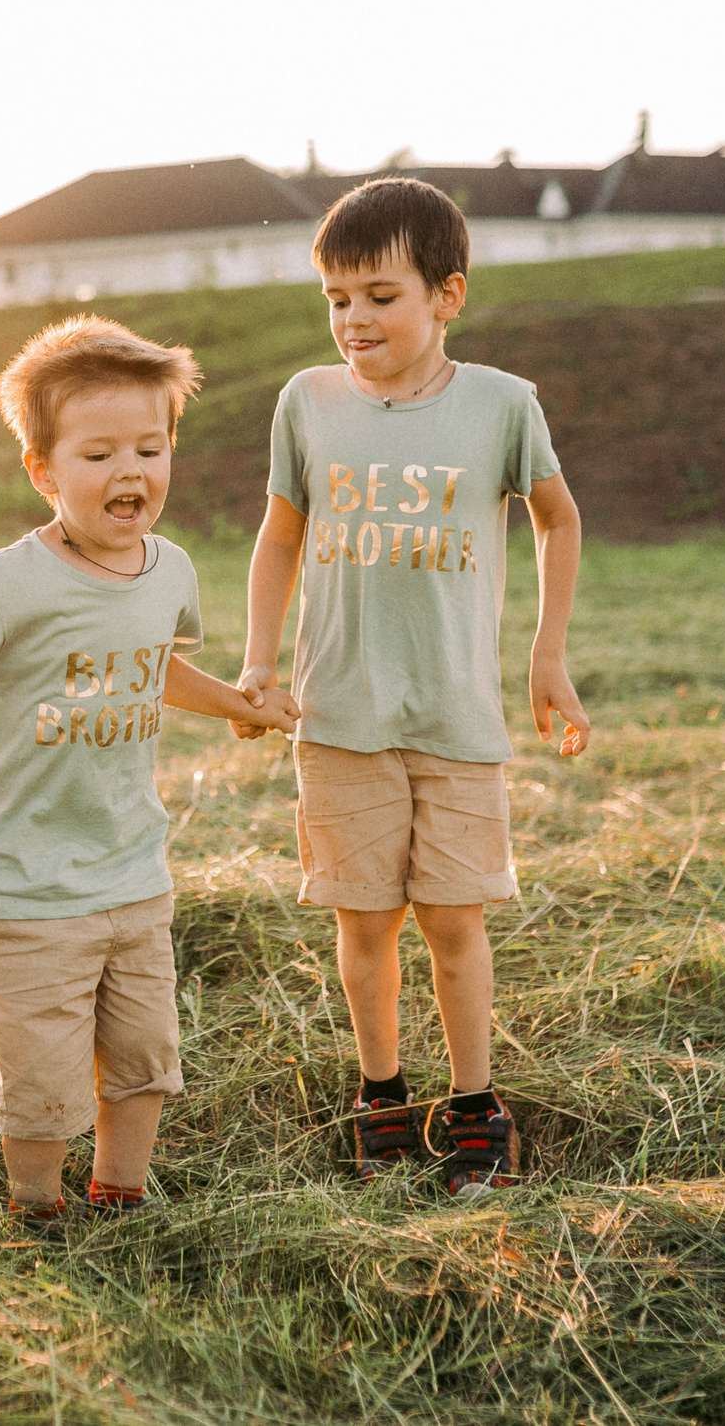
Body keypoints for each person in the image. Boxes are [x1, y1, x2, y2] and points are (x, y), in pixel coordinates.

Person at [0, 316, 297, 1228]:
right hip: (21, 883)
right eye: (98, 453)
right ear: (44, 470)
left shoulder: (169, 570)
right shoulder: (5, 583)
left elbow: (147, 663)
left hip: (131, 868)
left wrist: (238, 703)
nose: (130, 472)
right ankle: (39, 1212)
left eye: (149, 447)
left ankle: (121, 1197)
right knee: (46, 1075)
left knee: (143, 1057)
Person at [235, 177, 591, 1198]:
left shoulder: (500, 405)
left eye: (379, 295)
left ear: (447, 295)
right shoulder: (306, 403)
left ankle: (473, 1105)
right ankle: (382, 1094)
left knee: (452, 921)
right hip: (338, 715)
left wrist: (545, 653)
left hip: (454, 716)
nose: (354, 318)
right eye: (336, 297)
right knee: (361, 923)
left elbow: (556, 518)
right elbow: (279, 535)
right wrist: (260, 660)